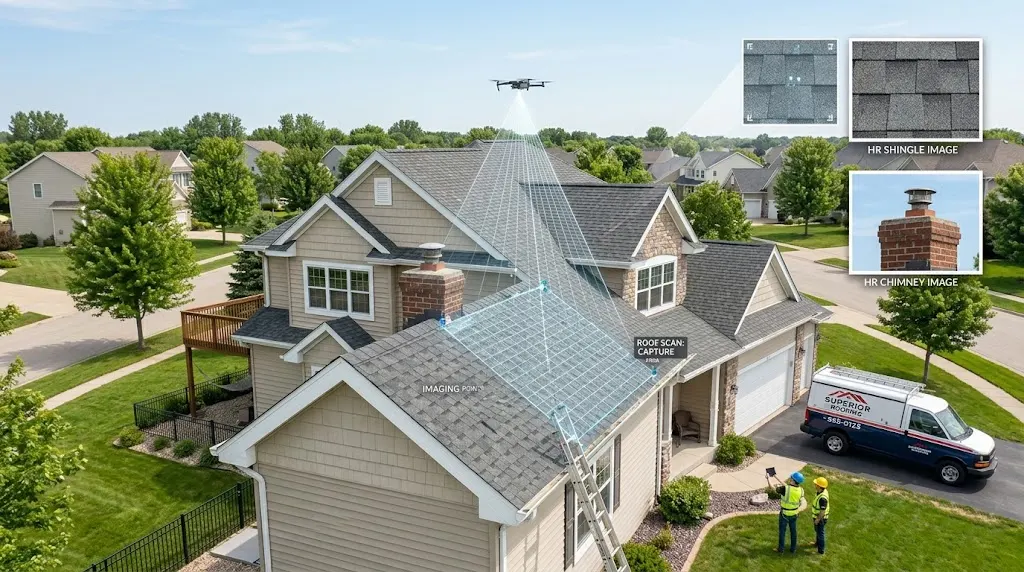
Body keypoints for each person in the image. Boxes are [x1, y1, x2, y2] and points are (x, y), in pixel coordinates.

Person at [768, 471, 805, 553]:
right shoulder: (801, 490)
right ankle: (793, 549)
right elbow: (788, 487)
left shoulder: (785, 489)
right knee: (793, 532)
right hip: (794, 514)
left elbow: (772, 488)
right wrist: (775, 476)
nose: (790, 479)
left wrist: (768, 478)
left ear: (793, 480)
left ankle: (781, 549)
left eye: (791, 478)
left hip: (784, 514)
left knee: (782, 532)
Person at [809, 476, 830, 554]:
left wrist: (817, 520)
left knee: (820, 533)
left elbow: (822, 511)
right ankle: (816, 544)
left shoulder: (822, 498)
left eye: (816, 484)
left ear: (819, 486)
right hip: (817, 516)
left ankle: (821, 550)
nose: (815, 485)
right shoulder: (821, 491)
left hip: (820, 518)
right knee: (817, 531)